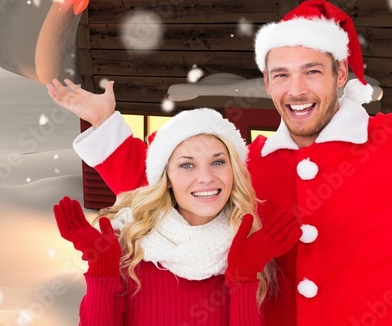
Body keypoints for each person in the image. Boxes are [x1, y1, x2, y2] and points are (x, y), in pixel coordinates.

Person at [53, 0, 392, 325]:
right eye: (281, 75)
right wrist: (105, 124)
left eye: (312, 72)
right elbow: (171, 180)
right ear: (268, 81)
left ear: (341, 73)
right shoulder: (252, 160)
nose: (295, 90)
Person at [51, 107, 301, 324]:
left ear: (233, 171)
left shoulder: (251, 251)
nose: (206, 177)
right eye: (187, 165)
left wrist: (243, 278)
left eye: (217, 162)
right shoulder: (130, 248)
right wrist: (102, 270)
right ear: (166, 178)